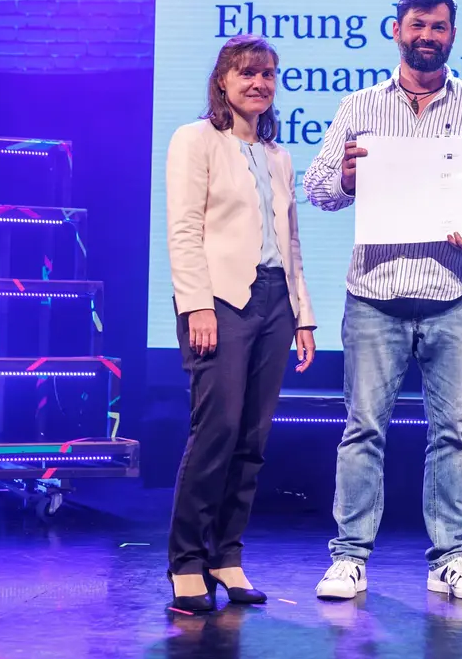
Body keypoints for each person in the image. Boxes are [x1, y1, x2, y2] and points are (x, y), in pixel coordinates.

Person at [303, 0, 462, 602]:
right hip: (374, 295)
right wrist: (347, 174)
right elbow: (316, 188)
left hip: (451, 292)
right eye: (417, 25)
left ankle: (449, 560)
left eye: (439, 27)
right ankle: (350, 558)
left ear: (452, 34)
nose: (427, 36)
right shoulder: (360, 106)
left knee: (454, 433)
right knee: (363, 430)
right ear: (397, 30)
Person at [165, 34, 319, 614]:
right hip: (222, 302)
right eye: (247, 73)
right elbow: (184, 229)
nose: (259, 83)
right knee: (217, 432)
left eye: (268, 74)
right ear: (223, 81)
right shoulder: (195, 140)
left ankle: (226, 555)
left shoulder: (277, 156)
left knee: (252, 440)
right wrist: (196, 304)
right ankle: (186, 562)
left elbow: (292, 243)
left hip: (275, 302)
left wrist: (303, 317)